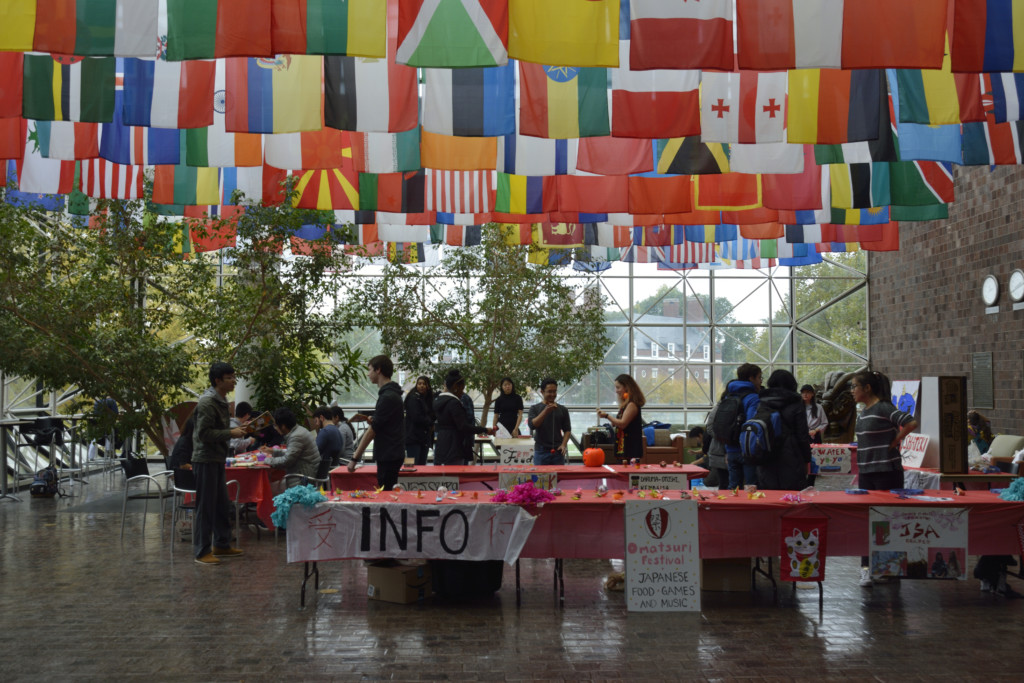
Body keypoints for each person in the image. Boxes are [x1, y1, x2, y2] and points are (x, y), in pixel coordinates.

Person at [852, 369, 918, 587]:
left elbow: (911, 422)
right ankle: (866, 568)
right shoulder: (864, 411)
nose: (852, 391)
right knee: (867, 521)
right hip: (866, 473)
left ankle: (889, 568)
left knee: (887, 520)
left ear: (867, 388)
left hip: (886, 471)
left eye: (854, 386)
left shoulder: (883, 407)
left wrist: (896, 440)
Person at [191, 361, 247, 566]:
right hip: (205, 459)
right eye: (229, 378)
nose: (233, 381)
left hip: (216, 458)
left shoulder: (221, 400)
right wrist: (230, 433)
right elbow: (204, 434)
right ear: (217, 380)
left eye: (234, 377)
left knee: (222, 504)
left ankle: (222, 544)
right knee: (206, 506)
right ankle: (202, 550)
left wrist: (234, 431)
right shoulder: (207, 402)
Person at [346, 355, 405, 490]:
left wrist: (354, 458)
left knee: (386, 492)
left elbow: (372, 431)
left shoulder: (387, 397)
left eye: (370, 370)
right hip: (392, 452)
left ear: (378, 370)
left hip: (388, 454)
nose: (368, 374)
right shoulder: (391, 394)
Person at [757, 370, 812, 491]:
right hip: (791, 455)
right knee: (792, 495)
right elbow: (802, 435)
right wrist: (807, 459)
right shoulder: (797, 403)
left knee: (769, 494)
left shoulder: (762, 402)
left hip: (767, 453)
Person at [433, 369, 493, 466]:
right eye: (461, 388)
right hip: (454, 445)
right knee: (456, 473)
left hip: (441, 442)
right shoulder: (454, 403)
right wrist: (485, 430)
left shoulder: (438, 400)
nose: (462, 392)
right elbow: (463, 426)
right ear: (455, 387)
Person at [724, 363, 762, 489]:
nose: (760, 381)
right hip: (746, 451)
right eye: (759, 377)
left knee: (733, 487)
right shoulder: (753, 398)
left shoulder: (728, 396)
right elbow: (751, 425)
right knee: (751, 488)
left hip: (730, 448)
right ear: (751, 378)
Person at [596, 374, 645, 463]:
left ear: (626, 387)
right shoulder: (626, 405)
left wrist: (607, 416)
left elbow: (622, 424)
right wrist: (613, 421)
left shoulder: (632, 405)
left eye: (618, 387)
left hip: (630, 449)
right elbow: (619, 422)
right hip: (624, 448)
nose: (616, 391)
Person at [261, 407, 321, 480]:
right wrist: (273, 451)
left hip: (304, 478)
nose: (275, 428)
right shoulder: (299, 430)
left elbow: (286, 461)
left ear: (283, 426)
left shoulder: (296, 436)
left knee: (270, 484)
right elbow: (291, 453)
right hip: (308, 472)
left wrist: (266, 460)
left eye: (275, 425)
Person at [527, 378, 572, 465]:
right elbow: (532, 425)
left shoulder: (563, 409)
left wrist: (563, 444)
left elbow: (567, 430)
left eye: (554, 391)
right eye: (549, 391)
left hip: (558, 451)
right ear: (542, 392)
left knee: (558, 474)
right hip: (541, 451)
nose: (553, 394)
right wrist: (545, 411)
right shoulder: (534, 408)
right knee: (540, 474)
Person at [404, 376, 435, 466]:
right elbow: (416, 417)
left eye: (424, 384)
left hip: (423, 438)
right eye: (419, 384)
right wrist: (430, 422)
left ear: (428, 386)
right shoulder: (413, 398)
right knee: (411, 465)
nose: (421, 386)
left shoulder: (427, 399)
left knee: (421, 465)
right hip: (413, 438)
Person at [704, 393, 729, 489]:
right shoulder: (720, 406)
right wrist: (728, 439)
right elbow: (710, 428)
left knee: (725, 484)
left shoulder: (719, 406)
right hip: (722, 452)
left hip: (719, 452)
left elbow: (709, 427)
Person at [311, 406, 342, 479]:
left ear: (321, 417)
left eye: (316, 421)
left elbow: (314, 453)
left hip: (322, 472)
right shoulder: (337, 430)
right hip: (332, 470)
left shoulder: (325, 432)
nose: (316, 424)